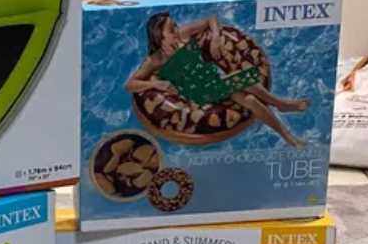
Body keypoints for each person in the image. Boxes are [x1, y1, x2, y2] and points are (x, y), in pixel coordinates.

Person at [125, 12, 310, 146]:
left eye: (175, 25)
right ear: (159, 36)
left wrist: (215, 36)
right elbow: (130, 85)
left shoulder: (183, 35)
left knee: (250, 100)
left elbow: (211, 18)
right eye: (171, 29)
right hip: (199, 94)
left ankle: (287, 136)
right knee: (245, 79)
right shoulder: (156, 60)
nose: (177, 29)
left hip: (216, 81)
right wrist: (157, 83)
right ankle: (281, 104)